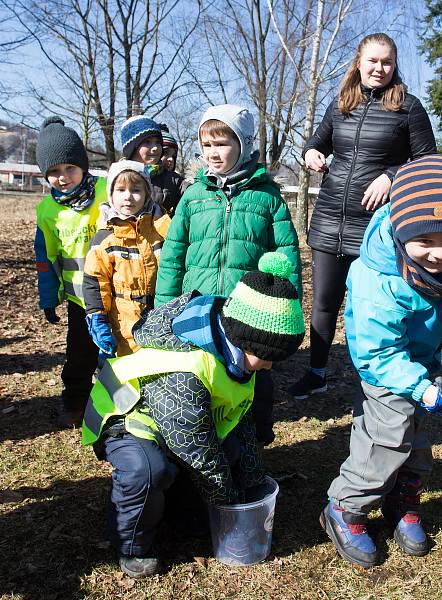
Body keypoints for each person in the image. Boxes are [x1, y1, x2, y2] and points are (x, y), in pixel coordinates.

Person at [81, 252, 305, 578]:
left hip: (179, 425)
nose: (271, 366)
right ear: (245, 340)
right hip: (127, 419)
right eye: (268, 357)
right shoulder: (186, 371)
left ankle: (181, 513)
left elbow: (238, 420)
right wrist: (230, 509)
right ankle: (132, 544)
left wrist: (253, 483)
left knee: (226, 451)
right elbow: (197, 452)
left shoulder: (236, 354)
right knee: (150, 471)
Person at [321, 156, 442, 568]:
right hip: (387, 370)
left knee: (418, 437)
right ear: (402, 231)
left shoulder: (439, 257)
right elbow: (378, 352)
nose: (441, 254)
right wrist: (420, 386)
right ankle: (346, 507)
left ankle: (402, 497)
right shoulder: (378, 278)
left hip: (422, 364)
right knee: (386, 436)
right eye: (427, 242)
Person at [289, 32, 437, 400]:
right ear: (359, 62)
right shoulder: (341, 104)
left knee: (368, 309)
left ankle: (374, 380)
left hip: (374, 227)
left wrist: (392, 175)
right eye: (372, 61)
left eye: (386, 62)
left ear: (394, 65)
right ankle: (317, 371)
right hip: (328, 218)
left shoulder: (409, 108)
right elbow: (316, 142)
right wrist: (310, 154)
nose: (379, 68)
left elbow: (427, 162)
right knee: (323, 302)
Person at [154, 103, 301, 445]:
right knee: (202, 383)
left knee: (252, 386)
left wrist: (287, 311)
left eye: (222, 143)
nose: (213, 153)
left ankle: (253, 446)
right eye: (206, 145)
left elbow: (286, 257)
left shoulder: (268, 199)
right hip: (198, 309)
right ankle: (202, 444)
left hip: (247, 313)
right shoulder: (193, 197)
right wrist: (164, 308)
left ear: (244, 144)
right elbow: (174, 255)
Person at [34, 116, 107, 427]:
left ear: (83, 165)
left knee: (115, 351)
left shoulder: (107, 191)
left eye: (69, 168)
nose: (63, 177)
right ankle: (75, 402)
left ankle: (117, 404)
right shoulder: (47, 211)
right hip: (79, 301)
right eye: (53, 172)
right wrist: (48, 297)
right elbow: (46, 258)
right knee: (79, 356)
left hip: (114, 292)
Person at [82, 160, 171, 357]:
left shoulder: (164, 228)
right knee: (120, 383)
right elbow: (95, 281)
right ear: (111, 194)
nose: (128, 197)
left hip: (161, 318)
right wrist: (98, 317)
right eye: (120, 190)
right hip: (122, 325)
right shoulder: (105, 236)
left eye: (136, 190)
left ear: (147, 193)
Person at [120, 115, 184, 216]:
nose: (155, 148)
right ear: (132, 148)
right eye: (147, 142)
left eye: (158, 142)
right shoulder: (116, 179)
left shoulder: (173, 181)